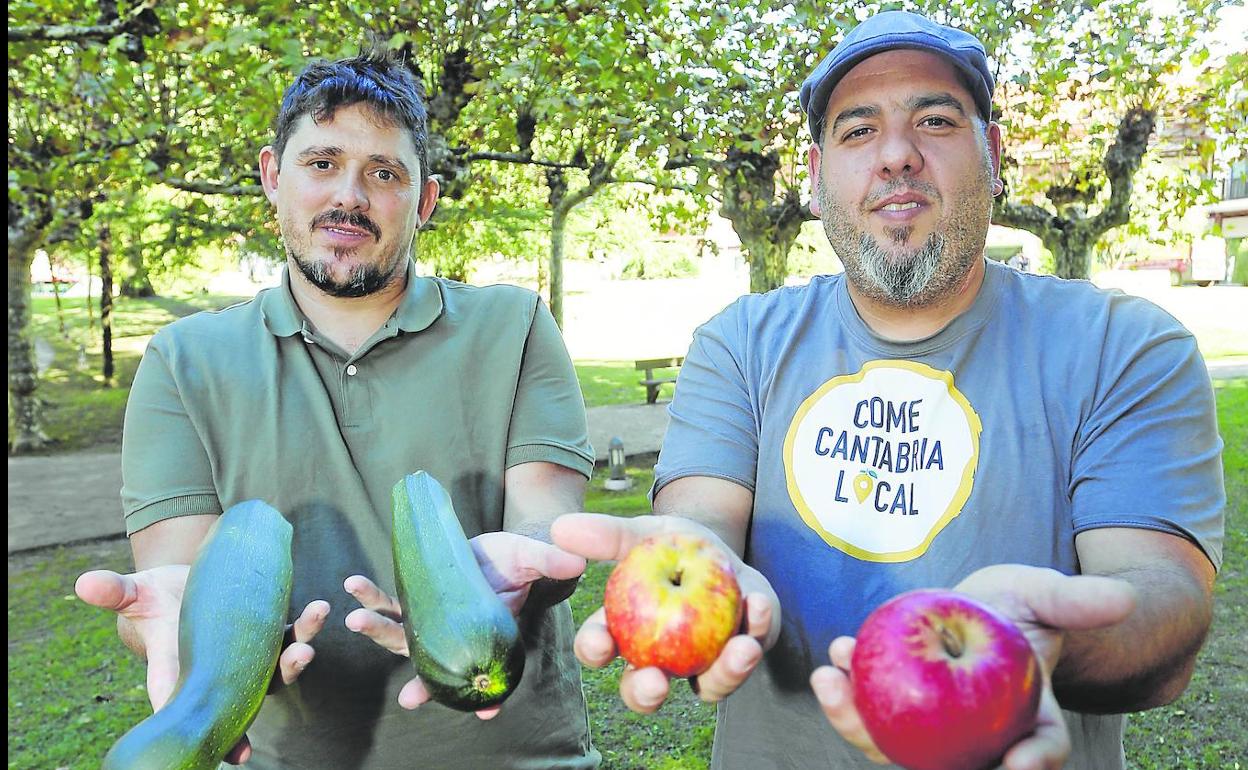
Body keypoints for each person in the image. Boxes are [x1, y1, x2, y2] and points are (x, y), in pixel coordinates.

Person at [551, 10, 1224, 770]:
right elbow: (700, 524)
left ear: (992, 154)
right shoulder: (738, 345)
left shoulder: (1124, 348)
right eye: (858, 130)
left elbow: (1165, 602)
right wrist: (702, 571)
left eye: (934, 121)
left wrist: (1037, 645)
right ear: (814, 175)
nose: (897, 156)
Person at [75, 45, 600, 769]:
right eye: (322, 164)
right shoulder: (181, 362)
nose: (349, 196)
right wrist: (164, 629)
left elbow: (547, 525)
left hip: (519, 756)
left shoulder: (513, 327)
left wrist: (529, 573)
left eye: (383, 173)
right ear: (272, 177)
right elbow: (175, 583)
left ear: (425, 201)